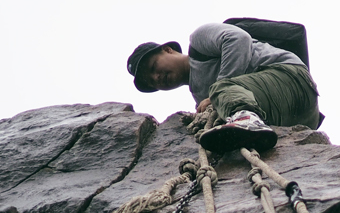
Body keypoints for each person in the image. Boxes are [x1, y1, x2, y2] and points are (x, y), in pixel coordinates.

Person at [127, 22, 321, 154]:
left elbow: (238, 38)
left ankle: (246, 119)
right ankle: (249, 125)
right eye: (151, 82)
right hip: (298, 119)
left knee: (219, 91)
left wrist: (218, 90)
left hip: (290, 79)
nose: (157, 77)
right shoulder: (200, 98)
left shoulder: (199, 41)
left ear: (168, 50)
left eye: (153, 67)